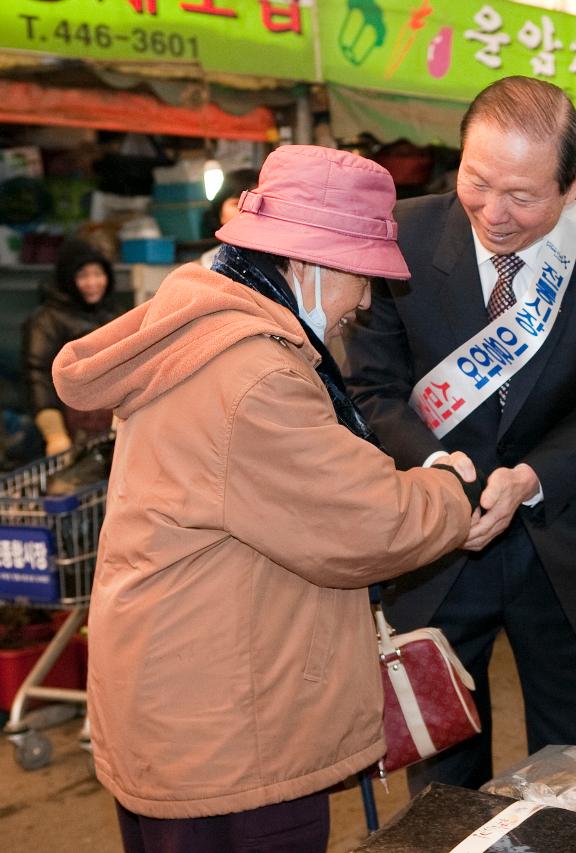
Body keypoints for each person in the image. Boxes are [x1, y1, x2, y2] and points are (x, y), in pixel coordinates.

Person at [51, 145, 479, 852]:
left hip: (184, 706)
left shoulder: (207, 329)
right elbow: (367, 521)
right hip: (228, 736)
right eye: (362, 278)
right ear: (310, 263)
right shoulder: (252, 373)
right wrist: (453, 490)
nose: (366, 303)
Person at [344, 76, 576, 790]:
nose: (494, 213)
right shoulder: (404, 233)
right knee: (442, 770)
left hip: (555, 541)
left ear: (574, 185)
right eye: (477, 181)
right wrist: (442, 467)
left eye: (523, 195)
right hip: (437, 547)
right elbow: (374, 389)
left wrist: (531, 478)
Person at [22, 239, 121, 455]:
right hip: (64, 431)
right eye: (83, 276)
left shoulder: (112, 314)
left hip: (108, 431)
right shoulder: (45, 320)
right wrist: (54, 434)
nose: (93, 283)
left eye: (98, 274)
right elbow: (37, 375)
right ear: (68, 279)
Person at [201, 168, 259, 268]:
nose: (246, 210)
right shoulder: (208, 264)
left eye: (255, 204)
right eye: (237, 203)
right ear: (220, 213)